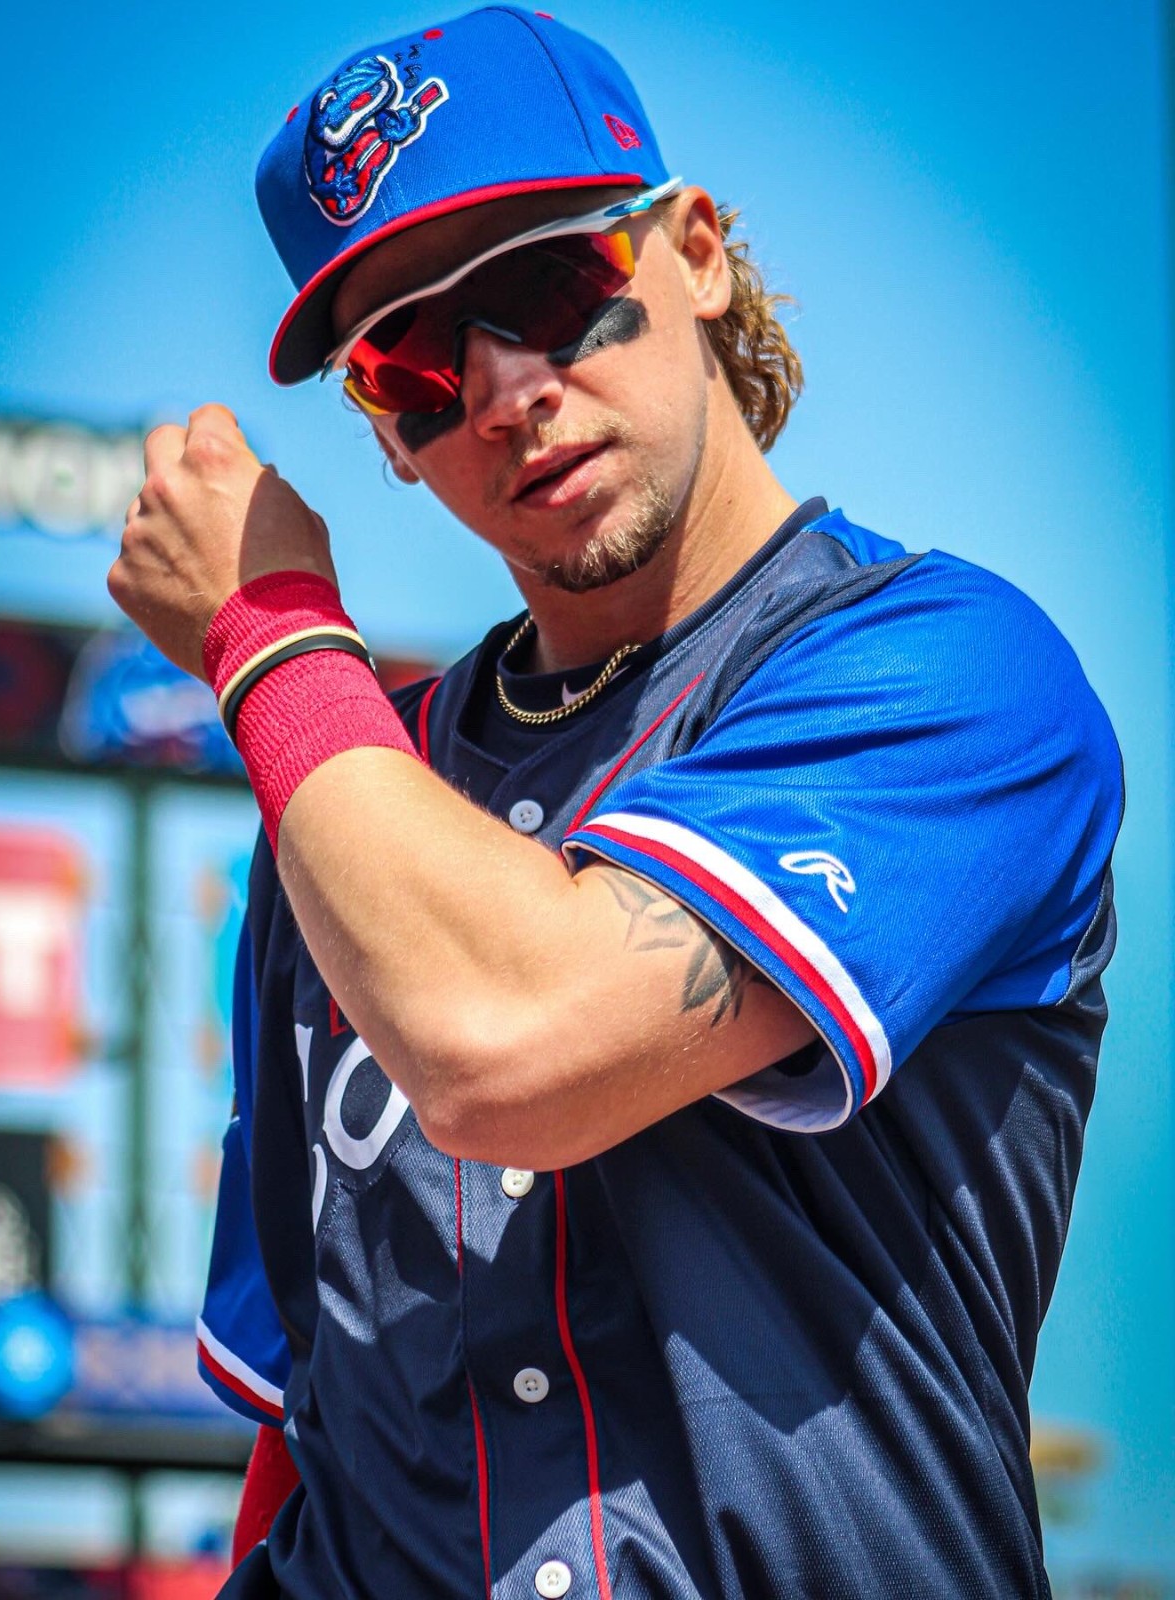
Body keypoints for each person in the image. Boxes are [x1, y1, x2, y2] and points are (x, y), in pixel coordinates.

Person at [107, 8, 1123, 1597]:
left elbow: (507, 1043)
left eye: (542, 287)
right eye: (415, 361)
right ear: (387, 437)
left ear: (694, 253)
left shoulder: (952, 666)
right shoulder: (347, 795)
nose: (504, 389)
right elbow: (303, 1412)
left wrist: (270, 635)